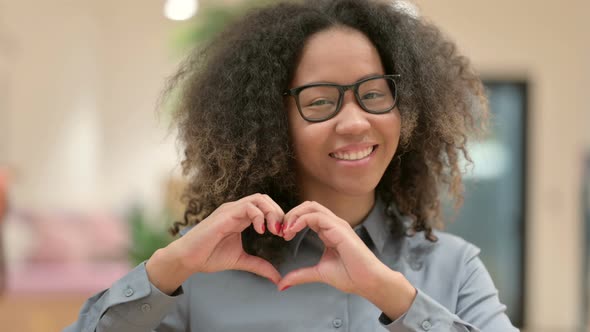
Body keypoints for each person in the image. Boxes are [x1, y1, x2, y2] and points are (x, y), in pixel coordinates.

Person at [66, 0, 518, 330]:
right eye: (321, 102)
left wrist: (392, 296)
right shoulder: (202, 271)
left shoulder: (453, 267)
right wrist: (167, 269)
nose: (356, 121)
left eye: (375, 94)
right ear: (270, 123)